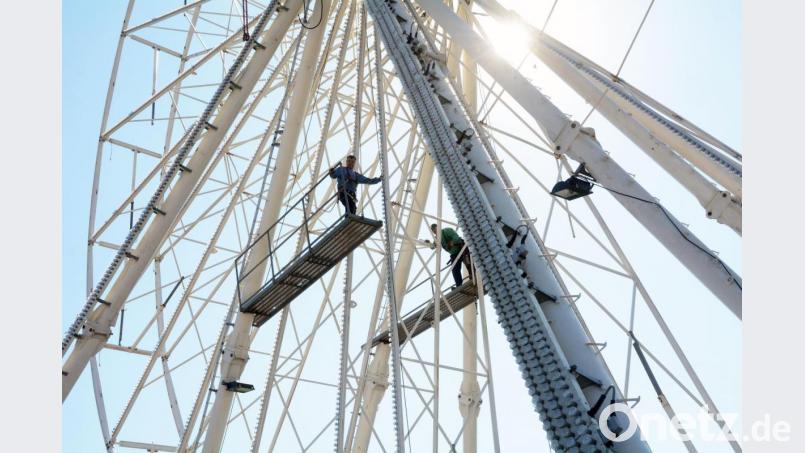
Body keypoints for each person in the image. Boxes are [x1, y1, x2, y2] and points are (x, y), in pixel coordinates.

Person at [430, 223, 472, 287]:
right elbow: (432, 246)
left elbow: (456, 237)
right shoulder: (437, 239)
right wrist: (428, 244)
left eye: (435, 229)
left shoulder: (447, 231)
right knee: (455, 269)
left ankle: (473, 275)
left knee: (468, 263)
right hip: (454, 254)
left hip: (461, 248)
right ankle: (459, 285)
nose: (435, 231)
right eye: (433, 231)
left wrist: (452, 243)